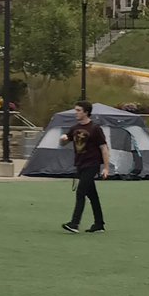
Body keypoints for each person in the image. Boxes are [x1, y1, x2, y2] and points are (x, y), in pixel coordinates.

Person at [61, 100, 109, 234]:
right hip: (80, 164)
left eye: (78, 110)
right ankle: (99, 224)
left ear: (86, 112)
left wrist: (106, 167)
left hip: (92, 164)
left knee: (81, 192)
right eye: (75, 110)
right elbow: (64, 143)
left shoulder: (95, 129)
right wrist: (63, 139)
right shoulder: (74, 128)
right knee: (92, 195)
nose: (75, 113)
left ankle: (74, 223)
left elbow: (104, 148)